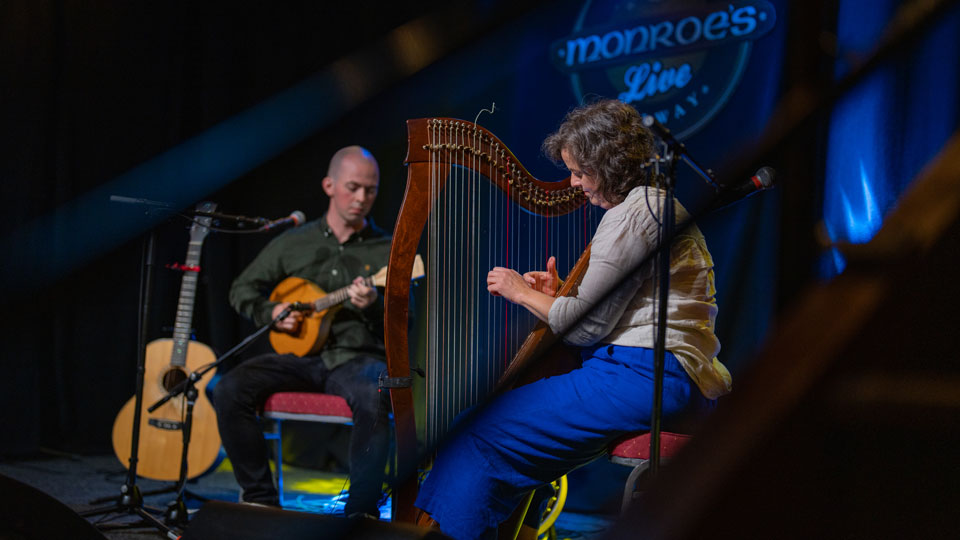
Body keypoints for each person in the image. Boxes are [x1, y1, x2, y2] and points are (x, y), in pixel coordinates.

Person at [413, 99, 733, 539]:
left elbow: (585, 328)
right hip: (672, 378)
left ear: (609, 165)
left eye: (581, 171)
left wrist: (521, 292)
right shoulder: (658, 207)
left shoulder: (631, 216)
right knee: (514, 445)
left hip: (643, 376)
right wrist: (556, 296)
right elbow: (619, 308)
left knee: (474, 429)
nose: (574, 182)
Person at [214, 145, 392, 518]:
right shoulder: (296, 241)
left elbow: (405, 322)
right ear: (329, 184)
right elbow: (241, 289)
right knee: (229, 387)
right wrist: (271, 311)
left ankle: (361, 516)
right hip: (298, 359)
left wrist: (373, 305)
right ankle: (260, 502)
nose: (361, 198)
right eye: (353, 187)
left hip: (356, 360)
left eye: (370, 190)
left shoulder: (388, 250)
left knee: (377, 394)